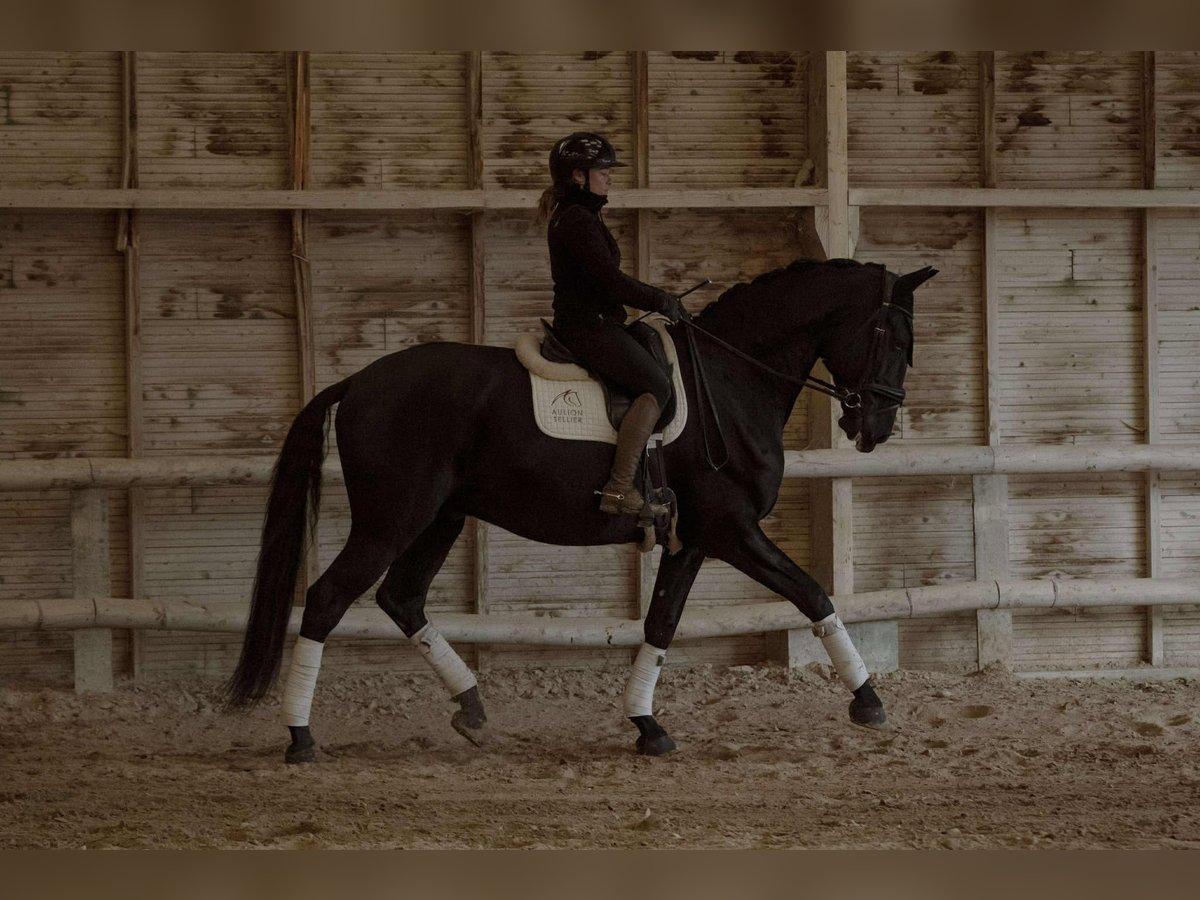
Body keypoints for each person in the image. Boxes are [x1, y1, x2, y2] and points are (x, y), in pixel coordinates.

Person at [536, 132, 684, 515]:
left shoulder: (582, 215)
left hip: (598, 321)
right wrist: (659, 299)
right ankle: (619, 490)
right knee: (655, 385)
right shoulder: (577, 221)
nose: (609, 177)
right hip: (588, 327)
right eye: (602, 171)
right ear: (578, 176)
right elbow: (609, 281)